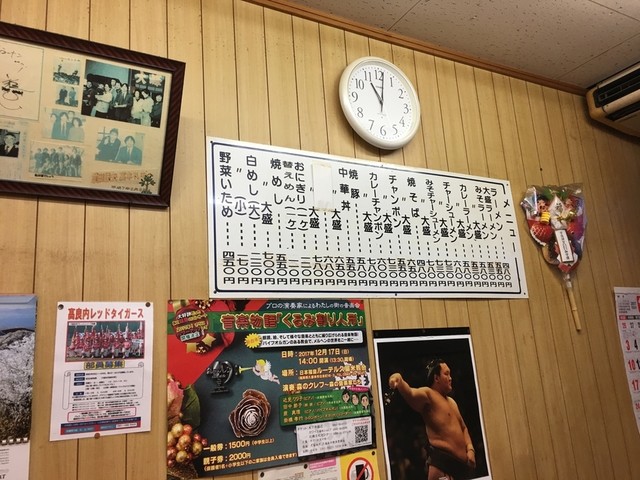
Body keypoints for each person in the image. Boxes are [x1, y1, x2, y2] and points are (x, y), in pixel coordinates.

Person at [388, 359, 476, 480]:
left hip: (462, 467)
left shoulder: (452, 402)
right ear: (436, 378)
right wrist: (399, 380)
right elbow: (411, 393)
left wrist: (470, 449)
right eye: (446, 374)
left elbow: (463, 428)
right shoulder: (428, 394)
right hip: (443, 465)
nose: (450, 378)